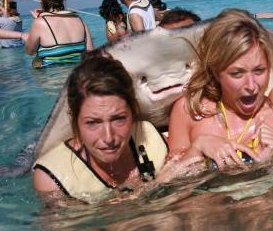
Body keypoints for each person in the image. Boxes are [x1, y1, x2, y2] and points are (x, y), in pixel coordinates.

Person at [32, 52, 204, 203]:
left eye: (119, 119)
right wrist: (156, 185)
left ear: (133, 112)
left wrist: (199, 146)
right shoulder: (52, 179)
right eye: (93, 123)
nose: (108, 137)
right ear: (74, 119)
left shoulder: (150, 138)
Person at [167, 9, 273, 168]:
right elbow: (170, 183)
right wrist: (197, 147)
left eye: (259, 70)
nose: (251, 86)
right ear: (215, 72)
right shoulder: (188, 112)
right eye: (237, 73)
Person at [25, 0, 94, 68]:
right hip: (78, 75)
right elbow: (91, 51)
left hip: (52, 78)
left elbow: (30, 51)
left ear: (43, 1)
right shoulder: (79, 19)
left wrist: (39, 20)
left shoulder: (40, 22)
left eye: (40, 0)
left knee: (35, 63)